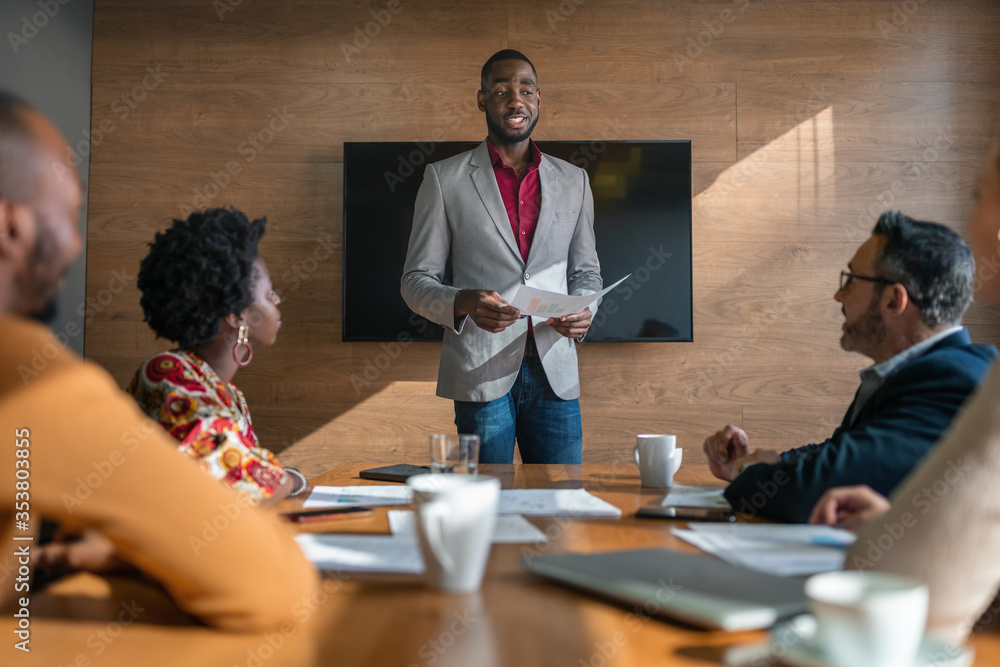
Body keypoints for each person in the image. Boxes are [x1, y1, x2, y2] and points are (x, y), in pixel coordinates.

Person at [0, 92, 318, 630]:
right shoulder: (33, 383)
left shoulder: (225, 390)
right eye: (69, 211)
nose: (76, 244)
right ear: (10, 228)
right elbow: (275, 585)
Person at [810, 139, 1000, 642]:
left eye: (982, 193)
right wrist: (893, 521)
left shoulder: (960, 376)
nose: (976, 215)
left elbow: (935, 591)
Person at [702, 211, 996, 522]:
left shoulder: (950, 380)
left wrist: (748, 471)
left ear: (894, 301)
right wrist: (748, 464)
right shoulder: (911, 370)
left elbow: (810, 492)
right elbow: (837, 454)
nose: (838, 295)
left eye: (852, 281)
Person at [401, 49, 602, 464]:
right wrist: (462, 302)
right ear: (481, 100)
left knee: (559, 508)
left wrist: (587, 309)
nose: (516, 100)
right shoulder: (443, 179)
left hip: (555, 371)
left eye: (526, 89)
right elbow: (415, 280)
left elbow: (586, 272)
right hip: (480, 372)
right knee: (488, 507)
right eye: (501, 90)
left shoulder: (575, 180)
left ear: (538, 98)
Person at [129, 208, 308, 506]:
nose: (277, 301)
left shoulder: (231, 395)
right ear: (238, 315)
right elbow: (249, 484)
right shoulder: (167, 373)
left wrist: (280, 476)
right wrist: (292, 479)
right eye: (269, 293)